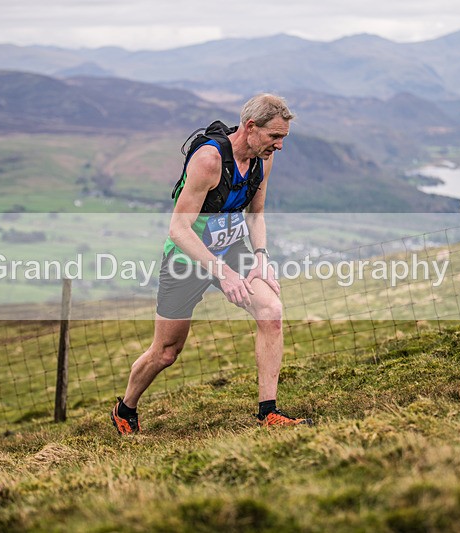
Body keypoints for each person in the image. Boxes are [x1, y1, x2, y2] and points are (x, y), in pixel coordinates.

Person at [110, 93, 312, 435]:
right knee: (166, 352)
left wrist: (260, 258)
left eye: (283, 138)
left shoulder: (264, 159)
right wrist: (222, 271)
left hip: (231, 247)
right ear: (250, 127)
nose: (279, 146)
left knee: (271, 311)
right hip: (188, 257)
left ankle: (269, 412)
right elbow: (178, 229)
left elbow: (256, 214)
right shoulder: (209, 160)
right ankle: (125, 408)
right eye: (274, 137)